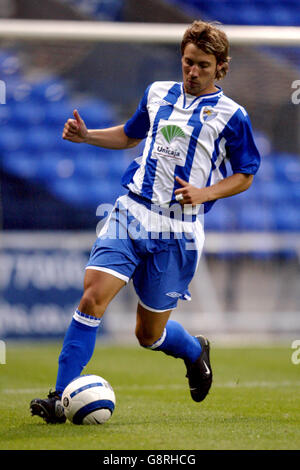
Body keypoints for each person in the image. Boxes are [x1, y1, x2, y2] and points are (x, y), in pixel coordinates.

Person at [30, 20, 260, 423]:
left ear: (220, 67)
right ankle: (59, 395)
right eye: (187, 62)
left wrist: (206, 193)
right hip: (131, 212)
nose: (192, 71)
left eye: (203, 65)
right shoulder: (157, 93)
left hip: (180, 233)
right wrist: (87, 136)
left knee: (148, 335)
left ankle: (193, 351)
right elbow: (130, 135)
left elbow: (246, 173)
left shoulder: (233, 116)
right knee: (91, 298)